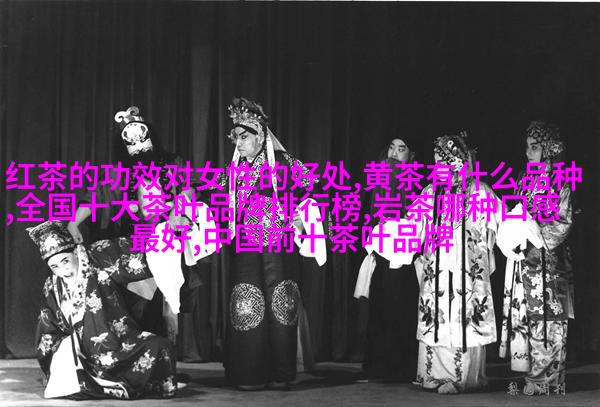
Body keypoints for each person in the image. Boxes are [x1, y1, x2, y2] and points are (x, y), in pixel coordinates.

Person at [217, 97, 320, 390]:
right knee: (247, 304)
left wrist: (303, 216)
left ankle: (281, 373)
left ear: (260, 135)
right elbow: (213, 197)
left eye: (244, 137)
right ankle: (249, 374)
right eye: (236, 137)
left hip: (279, 247)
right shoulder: (233, 171)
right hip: (246, 248)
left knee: (280, 305)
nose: (238, 143)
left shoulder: (284, 163)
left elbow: (316, 188)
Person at [28, 221, 177, 399]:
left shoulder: (96, 256)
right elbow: (47, 328)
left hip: (119, 343)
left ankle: (114, 383)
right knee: (66, 367)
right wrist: (59, 353)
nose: (63, 270)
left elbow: (132, 250)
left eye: (65, 261)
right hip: (82, 355)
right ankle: (100, 381)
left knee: (160, 346)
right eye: (55, 266)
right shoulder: (52, 286)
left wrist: (169, 235)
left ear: (75, 252)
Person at [412, 133, 502, 394]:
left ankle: (462, 377)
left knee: (463, 314)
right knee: (437, 314)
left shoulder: (479, 191)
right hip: (438, 266)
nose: (437, 167)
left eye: (442, 161)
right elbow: (414, 224)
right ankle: (433, 374)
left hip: (466, 266)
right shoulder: (431, 192)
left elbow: (499, 223)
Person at [498, 121, 574, 395]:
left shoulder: (561, 180)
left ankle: (548, 379)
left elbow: (563, 221)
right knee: (529, 318)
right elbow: (519, 211)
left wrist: (537, 236)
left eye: (534, 147)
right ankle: (532, 375)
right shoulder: (523, 178)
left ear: (548, 150)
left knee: (550, 319)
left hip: (549, 260)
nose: (528, 153)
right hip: (526, 258)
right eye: (527, 147)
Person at [354, 138, 419, 382]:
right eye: (392, 147)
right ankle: (377, 366)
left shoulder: (412, 181)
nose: (394, 153)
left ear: (410, 155)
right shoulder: (381, 175)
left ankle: (400, 367)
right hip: (382, 250)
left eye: (401, 149)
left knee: (400, 307)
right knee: (380, 307)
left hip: (403, 252)